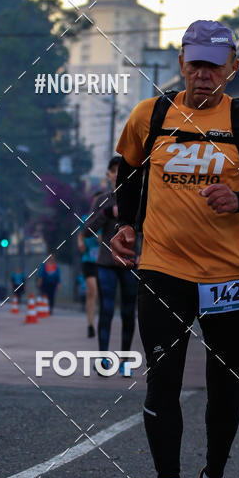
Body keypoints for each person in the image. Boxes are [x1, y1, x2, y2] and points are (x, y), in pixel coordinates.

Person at [110, 19, 239, 478]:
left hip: (228, 277)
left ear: (231, 68)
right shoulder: (151, 115)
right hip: (163, 270)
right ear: (180, 64)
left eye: (214, 64)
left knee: (225, 386)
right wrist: (126, 224)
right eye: (195, 62)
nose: (203, 74)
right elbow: (124, 170)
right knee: (163, 379)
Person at [84, 157, 138, 376]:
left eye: (123, 171)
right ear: (108, 174)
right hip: (106, 262)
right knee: (106, 309)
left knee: (128, 311)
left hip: (131, 262)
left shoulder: (139, 199)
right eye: (115, 171)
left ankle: (125, 360)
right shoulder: (103, 200)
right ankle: (102, 359)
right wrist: (106, 213)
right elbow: (86, 231)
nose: (119, 174)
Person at [78, 212, 100, 338]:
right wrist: (80, 242)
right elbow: (80, 234)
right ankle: (90, 324)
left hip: (103, 261)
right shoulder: (85, 219)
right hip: (88, 261)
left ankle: (98, 322)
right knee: (92, 291)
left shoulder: (106, 216)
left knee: (97, 293)